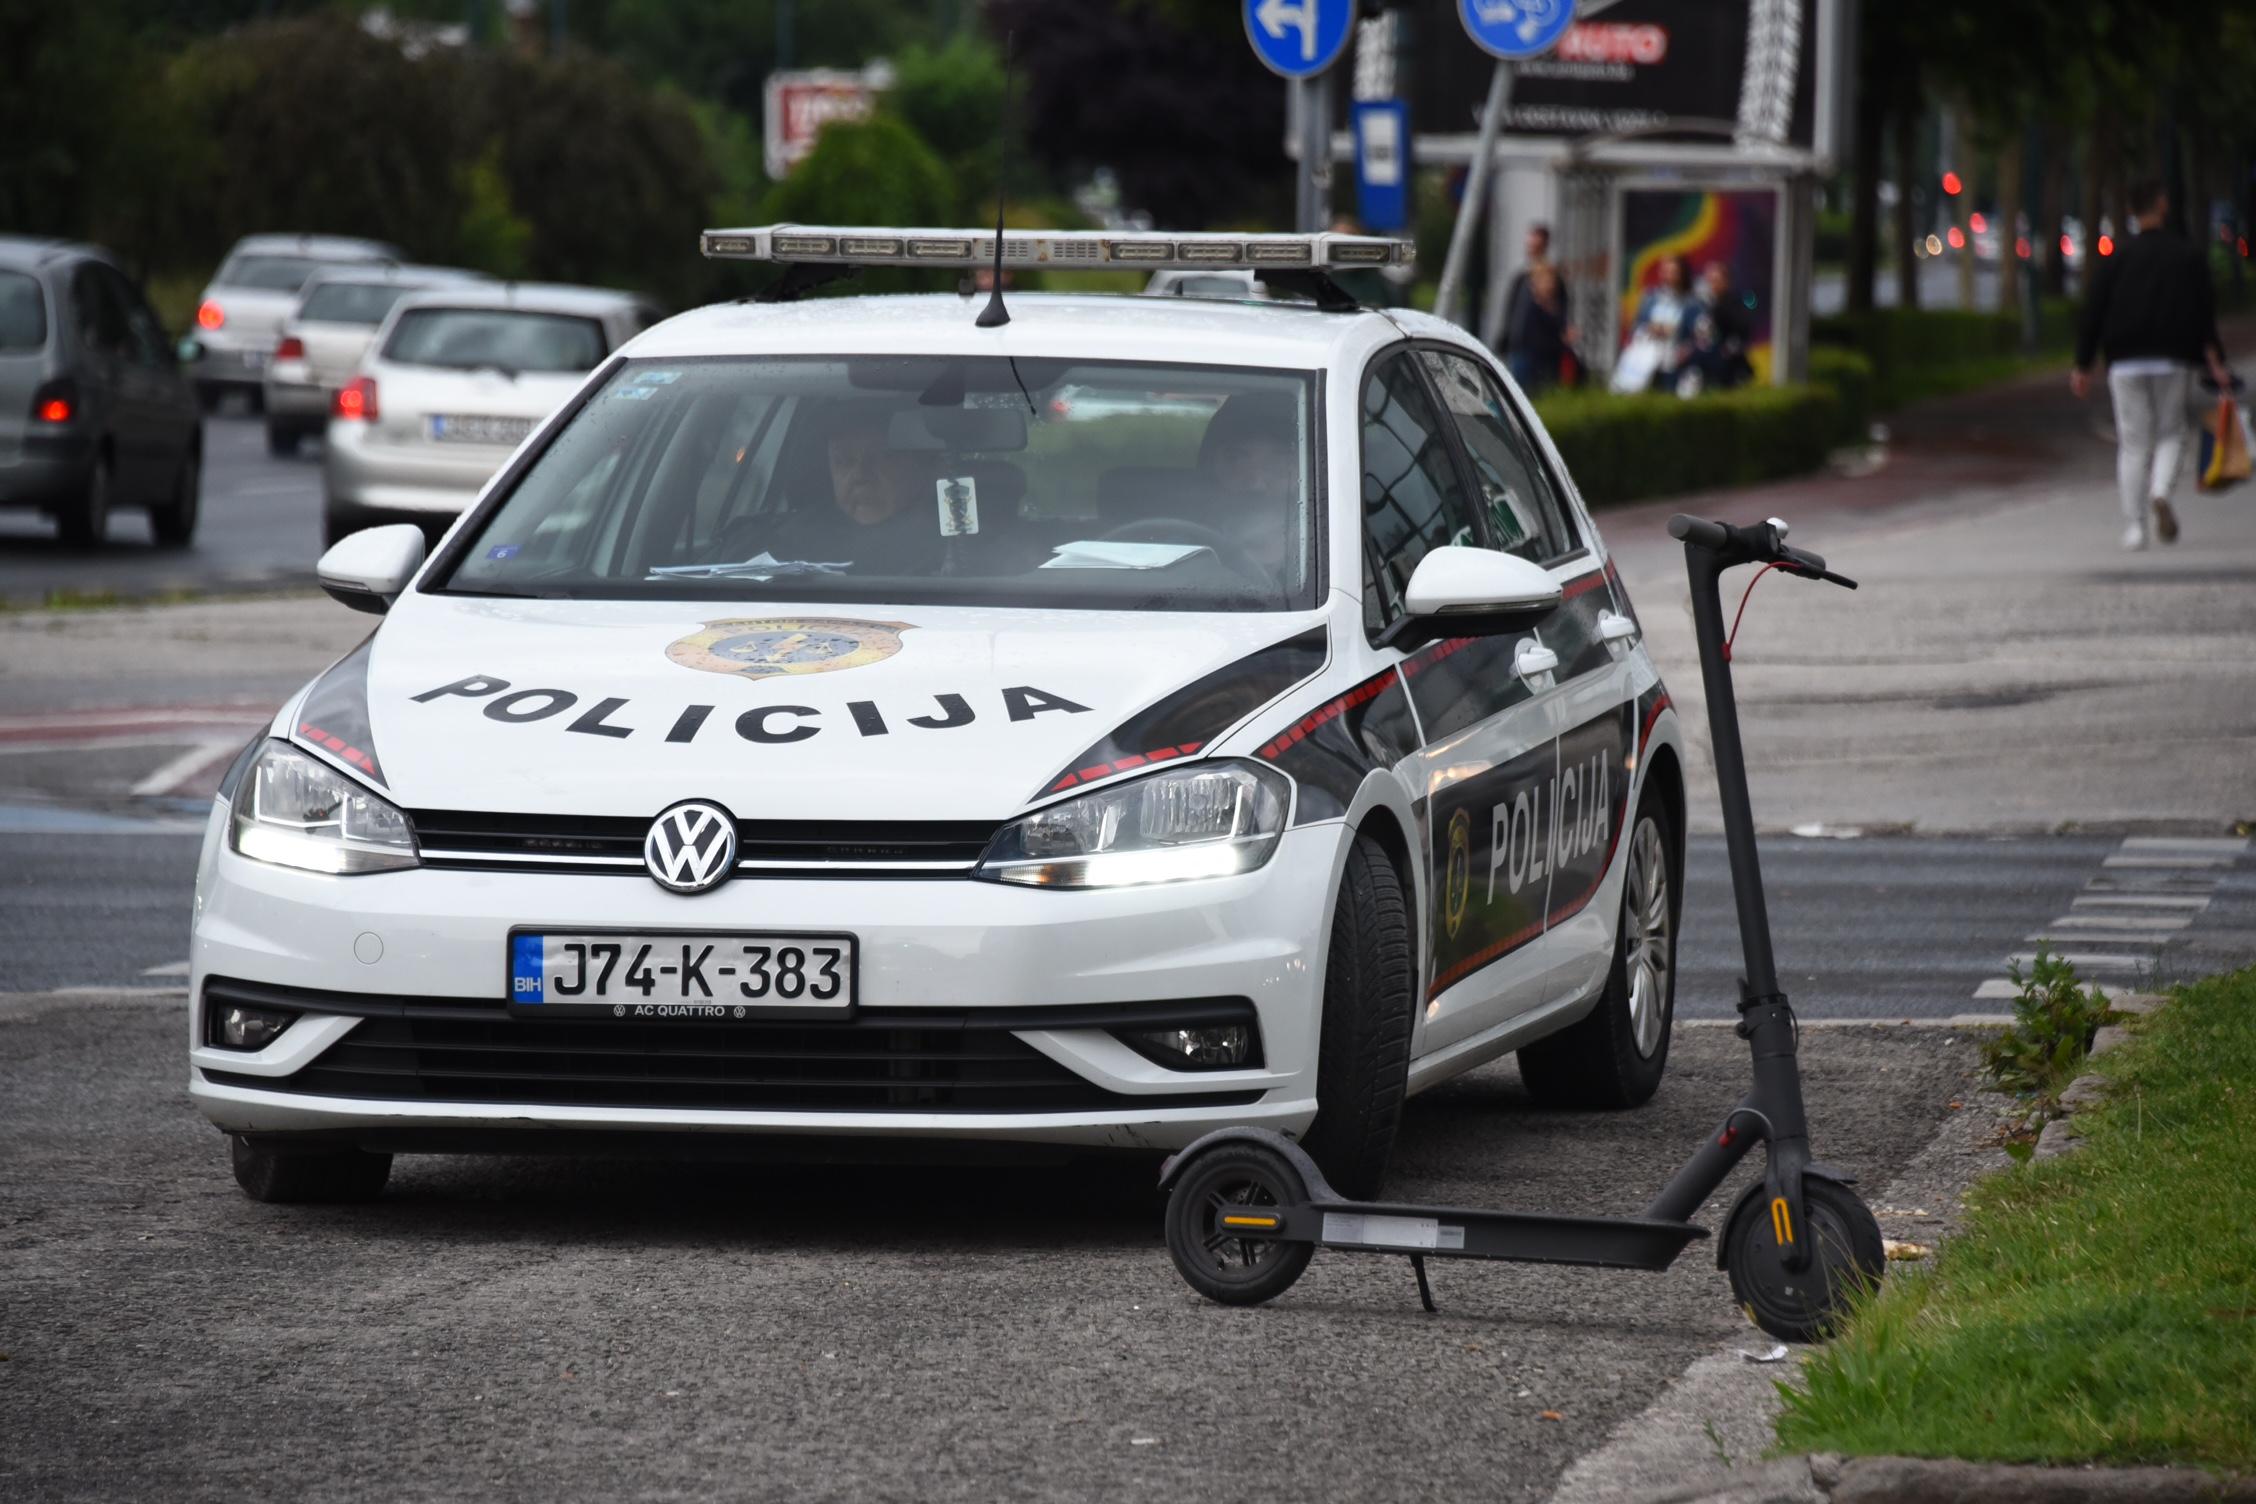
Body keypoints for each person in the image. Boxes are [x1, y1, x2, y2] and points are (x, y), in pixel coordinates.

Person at [2072, 178, 2232, 549]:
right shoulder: (2187, 256)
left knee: (2132, 442)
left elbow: (2093, 312)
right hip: (2173, 356)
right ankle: (2160, 491)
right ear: (2163, 206)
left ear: (2130, 211)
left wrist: (2083, 364)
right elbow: (2203, 312)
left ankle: (2134, 528)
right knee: (2171, 433)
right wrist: (2215, 359)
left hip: (2124, 359)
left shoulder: (2117, 259)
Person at [1611, 256, 1695, 394]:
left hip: (1674, 356)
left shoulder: (1690, 302)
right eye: (1665, 271)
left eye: (1672, 271)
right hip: (1648, 352)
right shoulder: (1651, 298)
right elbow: (1638, 324)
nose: (1668, 276)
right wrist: (1651, 328)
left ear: (1681, 274)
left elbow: (1695, 333)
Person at [1682, 262, 1756, 392]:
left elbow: (1740, 335)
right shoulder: (1697, 306)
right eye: (1709, 280)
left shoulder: (1735, 305)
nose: (1712, 285)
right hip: (1699, 365)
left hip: (1727, 367)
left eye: (1716, 280)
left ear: (1727, 282)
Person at [1500, 223, 1570, 356]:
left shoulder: (1552, 277)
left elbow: (1558, 314)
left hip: (1540, 351)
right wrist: (1506, 336)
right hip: (1518, 346)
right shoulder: (1522, 277)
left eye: (1536, 246)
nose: (1532, 250)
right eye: (1530, 246)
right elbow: (1512, 310)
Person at [1505, 264, 1569, 395]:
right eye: (1545, 280)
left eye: (1551, 280)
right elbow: (1538, 338)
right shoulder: (1531, 307)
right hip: (1530, 360)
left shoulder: (1556, 305)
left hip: (1547, 364)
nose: (1549, 285)